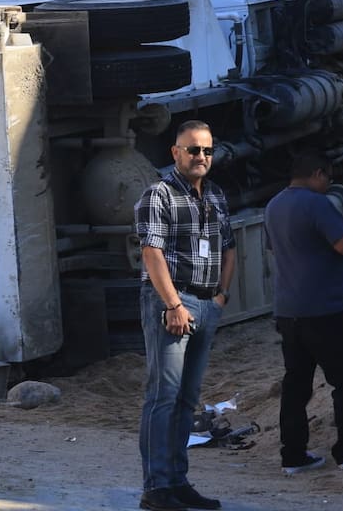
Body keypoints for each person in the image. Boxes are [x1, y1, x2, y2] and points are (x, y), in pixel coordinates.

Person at [264, 150, 343, 476]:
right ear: (318, 173)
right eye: (328, 178)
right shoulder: (317, 203)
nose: (329, 184)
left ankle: (293, 454)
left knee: (296, 385)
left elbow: (274, 248)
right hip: (324, 309)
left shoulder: (274, 205)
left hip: (288, 309)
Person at [135, 120, 236, 511]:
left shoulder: (215, 196)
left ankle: (177, 481)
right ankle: (156, 488)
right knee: (163, 396)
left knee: (187, 400)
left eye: (207, 151)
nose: (201, 157)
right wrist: (173, 305)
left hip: (207, 304)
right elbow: (151, 253)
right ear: (175, 153)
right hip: (171, 305)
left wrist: (221, 296)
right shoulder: (157, 195)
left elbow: (229, 247)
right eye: (193, 150)